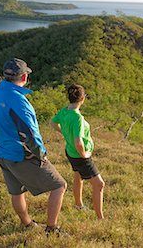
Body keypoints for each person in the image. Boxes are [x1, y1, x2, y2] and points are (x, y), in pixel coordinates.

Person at [0, 58, 67, 236]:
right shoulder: (20, 101)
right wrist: (41, 155)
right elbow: (30, 134)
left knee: (16, 191)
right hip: (21, 154)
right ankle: (52, 229)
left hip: (3, 153)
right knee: (59, 185)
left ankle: (27, 223)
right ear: (24, 76)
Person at [50, 84, 105, 220]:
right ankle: (100, 218)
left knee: (78, 176)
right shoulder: (77, 118)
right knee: (99, 184)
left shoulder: (64, 111)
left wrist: (63, 132)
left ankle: (78, 204)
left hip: (70, 152)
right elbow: (78, 142)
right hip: (79, 156)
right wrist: (84, 154)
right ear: (82, 99)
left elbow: (52, 122)